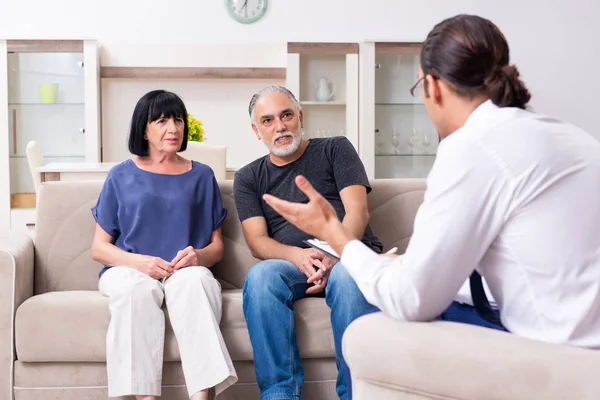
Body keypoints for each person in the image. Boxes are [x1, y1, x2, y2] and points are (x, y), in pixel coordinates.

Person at [262, 14, 600, 349]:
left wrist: (332, 232)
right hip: (583, 342)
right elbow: (528, 270)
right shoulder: (571, 135)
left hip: (555, 358)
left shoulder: (471, 146)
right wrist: (407, 267)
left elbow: (411, 299)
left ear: (433, 87)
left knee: (370, 332)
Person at [233, 85, 383, 400]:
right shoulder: (248, 177)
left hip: (346, 254)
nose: (280, 126)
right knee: (261, 277)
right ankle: (279, 395)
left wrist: (334, 253)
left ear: (300, 117)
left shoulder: (336, 148)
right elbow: (257, 242)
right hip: (294, 265)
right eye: (268, 120)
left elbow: (358, 211)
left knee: (347, 275)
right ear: (256, 130)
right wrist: (300, 257)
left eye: (286, 115)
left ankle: (356, 395)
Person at [90, 90, 237, 400]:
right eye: (162, 121)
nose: (173, 128)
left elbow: (217, 247)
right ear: (143, 129)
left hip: (184, 270)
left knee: (196, 281)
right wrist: (140, 263)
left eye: (178, 120)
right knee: (134, 290)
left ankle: (202, 396)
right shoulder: (120, 175)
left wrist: (197, 257)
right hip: (130, 268)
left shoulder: (202, 176)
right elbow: (99, 248)